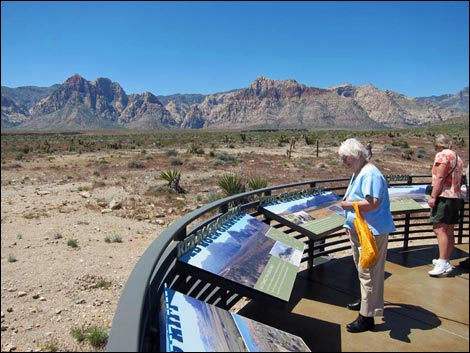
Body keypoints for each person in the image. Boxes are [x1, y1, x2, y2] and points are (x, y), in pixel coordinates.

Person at [338, 138, 396, 333]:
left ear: (359, 156)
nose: (345, 164)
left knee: (369, 273)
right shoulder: (360, 171)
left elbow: (373, 203)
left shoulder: (370, 174)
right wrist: (349, 222)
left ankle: (367, 316)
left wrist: (347, 206)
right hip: (361, 229)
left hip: (370, 232)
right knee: (363, 271)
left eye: (348, 160)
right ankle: (366, 304)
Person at [428, 134, 464, 277]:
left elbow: (440, 177)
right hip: (456, 197)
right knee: (449, 229)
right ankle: (445, 259)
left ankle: (442, 262)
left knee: (439, 228)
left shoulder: (442, 156)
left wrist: (433, 196)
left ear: (437, 145)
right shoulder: (458, 157)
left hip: (444, 196)